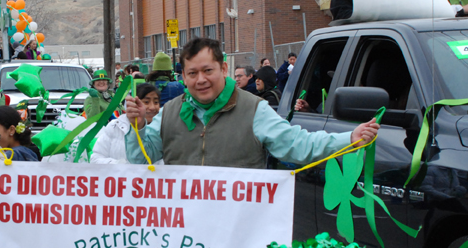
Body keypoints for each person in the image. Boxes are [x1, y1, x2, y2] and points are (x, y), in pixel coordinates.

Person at [124, 37, 379, 167]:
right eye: (192, 73)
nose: (200, 80)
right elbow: (140, 159)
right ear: (184, 76)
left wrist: (349, 139)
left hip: (239, 233)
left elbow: (298, 144)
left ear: (224, 69)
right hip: (185, 233)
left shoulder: (254, 109)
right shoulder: (170, 112)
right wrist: (137, 127)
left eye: (208, 70)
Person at [91, 83, 161, 164]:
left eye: (156, 102)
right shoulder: (115, 126)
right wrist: (122, 165)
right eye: (146, 102)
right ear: (133, 103)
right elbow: (95, 159)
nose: (152, 107)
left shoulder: (163, 129)